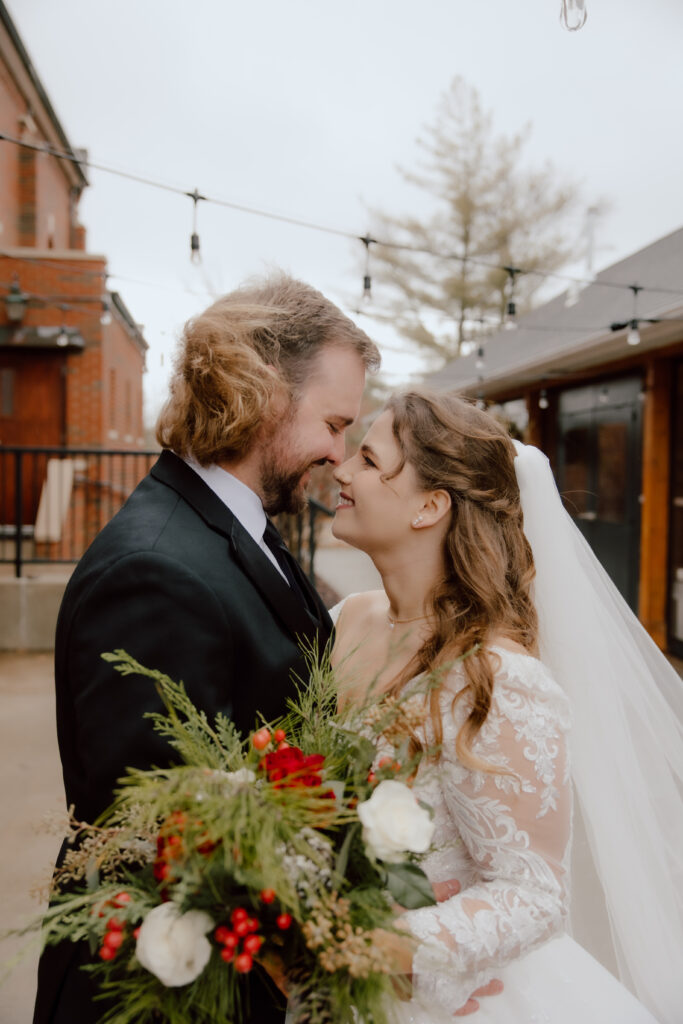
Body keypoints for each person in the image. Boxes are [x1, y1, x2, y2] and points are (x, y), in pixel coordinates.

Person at [33, 273, 379, 1024]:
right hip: (162, 994)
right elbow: (158, 835)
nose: (339, 452)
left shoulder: (234, 525)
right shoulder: (154, 569)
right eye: (333, 423)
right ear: (263, 395)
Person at [329, 389, 683, 1023]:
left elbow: (535, 893)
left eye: (368, 459)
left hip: (448, 997)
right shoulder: (347, 622)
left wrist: (380, 944)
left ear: (430, 506)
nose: (341, 470)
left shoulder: (495, 679)